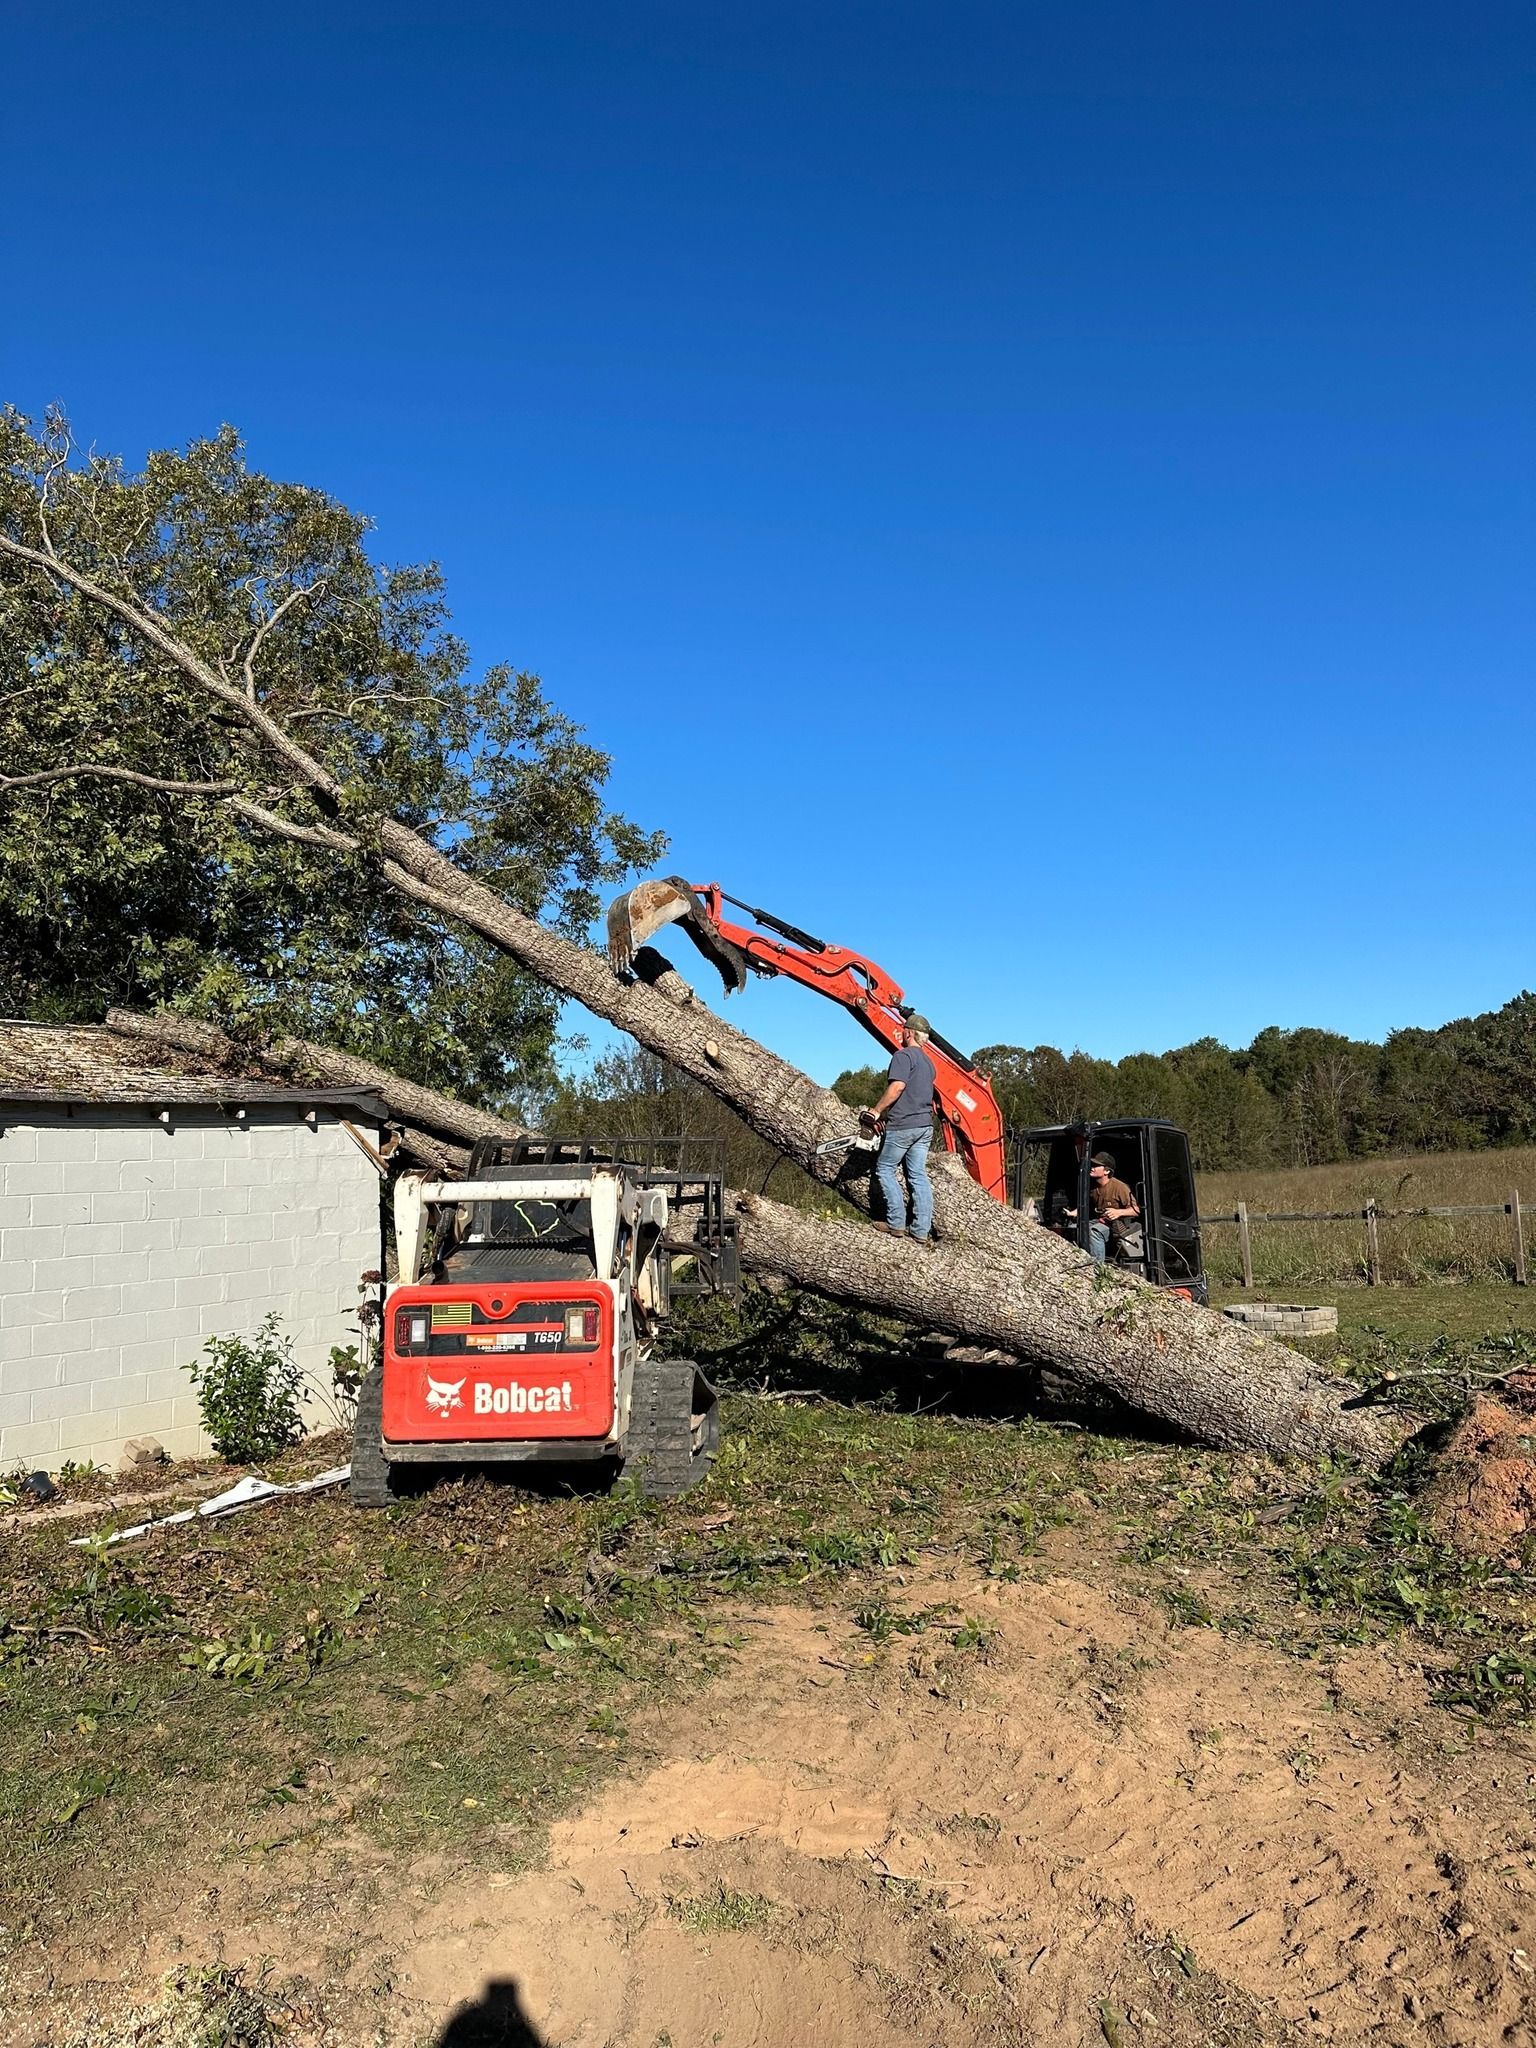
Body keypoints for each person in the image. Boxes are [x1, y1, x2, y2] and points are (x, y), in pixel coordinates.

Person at [869, 1014, 938, 1244]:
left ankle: (896, 1222)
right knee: (917, 1175)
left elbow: (898, 1087)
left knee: (885, 1168)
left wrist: (876, 1111)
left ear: (908, 1033)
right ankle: (920, 1230)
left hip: (904, 1125)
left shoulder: (902, 1056)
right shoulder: (929, 1063)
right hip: (924, 1126)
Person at [1087, 1150, 1138, 1263]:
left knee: (1094, 1232)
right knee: (1076, 1228)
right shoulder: (1092, 1187)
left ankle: (1098, 1268)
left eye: (1096, 1165)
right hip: (1099, 1221)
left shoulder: (1120, 1187)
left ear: (1107, 1171)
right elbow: (1088, 1207)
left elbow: (1136, 1210)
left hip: (1117, 1227)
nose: (1092, 1167)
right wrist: (1074, 1213)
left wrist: (1118, 1212)